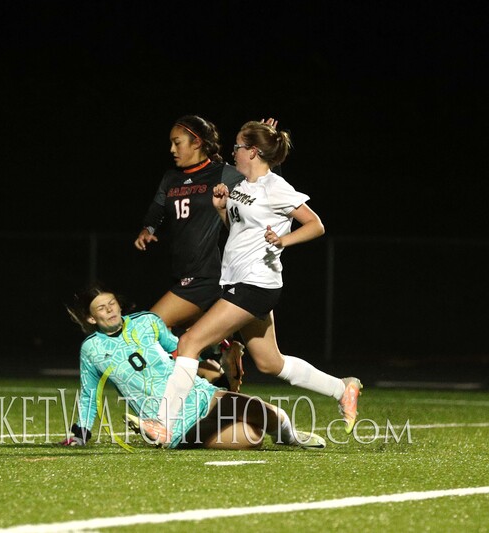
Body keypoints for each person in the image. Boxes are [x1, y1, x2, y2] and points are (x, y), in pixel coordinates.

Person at [143, 120, 363, 446]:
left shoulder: (276, 187)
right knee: (269, 362)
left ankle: (164, 424)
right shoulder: (242, 186)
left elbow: (315, 225)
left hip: (257, 285)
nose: (233, 152)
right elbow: (236, 232)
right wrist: (221, 208)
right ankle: (341, 388)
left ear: (253, 151)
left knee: (190, 342)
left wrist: (284, 241)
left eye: (238, 147)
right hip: (237, 282)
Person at [60, 284, 326, 450]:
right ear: (90, 318)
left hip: (200, 394)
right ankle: (158, 433)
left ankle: (288, 438)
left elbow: (182, 350)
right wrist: (81, 433)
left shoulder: (146, 322)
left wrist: (217, 357)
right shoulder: (91, 349)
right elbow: (89, 394)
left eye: (111, 303)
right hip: (168, 419)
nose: (110, 310)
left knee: (271, 416)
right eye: (101, 309)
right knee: (250, 438)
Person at [133, 115, 258, 391]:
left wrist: (268, 151)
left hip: (207, 275)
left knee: (145, 333)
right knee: (187, 341)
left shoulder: (223, 173)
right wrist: (147, 228)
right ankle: (225, 354)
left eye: (177, 143)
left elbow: (261, 184)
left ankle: (208, 381)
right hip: (183, 274)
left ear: (197, 142)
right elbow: (157, 209)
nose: (172, 150)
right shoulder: (171, 178)